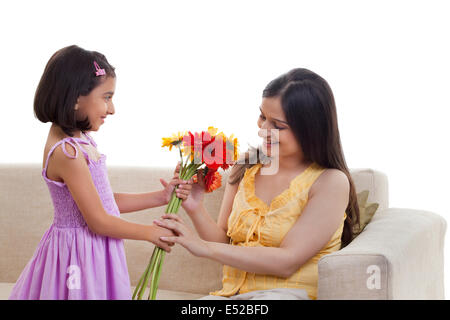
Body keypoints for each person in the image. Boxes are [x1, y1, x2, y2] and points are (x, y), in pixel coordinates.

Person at [154, 68, 361, 300]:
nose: (263, 130)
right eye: (263, 116)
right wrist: (195, 207)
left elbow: (287, 262)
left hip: (286, 295)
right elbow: (223, 240)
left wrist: (203, 247)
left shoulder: (330, 182)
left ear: (311, 129)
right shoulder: (247, 165)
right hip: (232, 296)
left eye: (278, 125)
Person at [8, 45, 193, 300]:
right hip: (79, 255)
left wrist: (161, 196)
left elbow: (102, 202)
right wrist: (149, 233)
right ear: (75, 97)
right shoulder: (67, 152)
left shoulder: (80, 140)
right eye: (106, 97)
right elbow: (98, 220)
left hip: (95, 248)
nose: (112, 108)